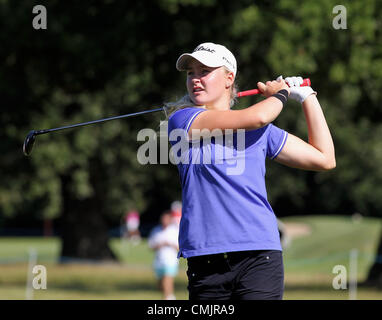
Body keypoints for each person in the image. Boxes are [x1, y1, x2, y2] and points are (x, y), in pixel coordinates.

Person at [167, 42, 336, 300]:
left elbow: (324, 158)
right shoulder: (182, 120)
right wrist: (280, 94)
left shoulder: (260, 132)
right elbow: (257, 116)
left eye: (204, 71)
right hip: (205, 260)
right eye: (191, 73)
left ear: (229, 78)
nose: (195, 79)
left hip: (259, 256)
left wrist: (307, 97)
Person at [148, 211, 180, 300]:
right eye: (163, 219)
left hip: (171, 260)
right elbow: (150, 246)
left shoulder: (175, 231)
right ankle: (169, 296)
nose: (164, 220)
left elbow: (180, 247)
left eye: (166, 219)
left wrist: (170, 244)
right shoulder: (156, 230)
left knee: (167, 279)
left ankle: (168, 297)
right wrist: (159, 245)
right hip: (158, 260)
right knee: (161, 285)